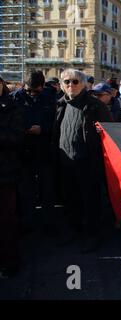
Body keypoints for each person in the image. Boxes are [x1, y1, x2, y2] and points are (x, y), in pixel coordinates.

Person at [53, 69, 112, 253]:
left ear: (85, 84)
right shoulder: (60, 104)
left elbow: (109, 133)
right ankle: (73, 230)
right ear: (62, 85)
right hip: (66, 162)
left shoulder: (95, 105)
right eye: (67, 81)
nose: (71, 85)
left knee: (90, 201)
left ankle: (92, 235)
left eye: (75, 81)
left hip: (88, 163)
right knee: (71, 200)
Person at [12, 71, 57, 235]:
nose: (31, 94)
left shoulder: (50, 98)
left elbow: (56, 123)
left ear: (42, 87)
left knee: (47, 191)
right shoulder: (16, 97)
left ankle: (49, 225)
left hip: (44, 152)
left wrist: (43, 129)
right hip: (24, 153)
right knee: (26, 192)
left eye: (35, 91)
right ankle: (28, 225)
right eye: (28, 90)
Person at [0, 75, 25, 279]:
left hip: (5, 173)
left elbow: (17, 137)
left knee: (6, 220)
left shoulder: (12, 107)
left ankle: (10, 262)